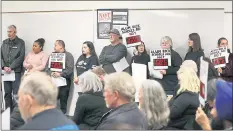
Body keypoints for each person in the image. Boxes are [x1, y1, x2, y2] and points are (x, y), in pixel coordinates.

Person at [45, 40, 74, 114]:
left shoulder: (69, 56)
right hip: (52, 81)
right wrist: (51, 73)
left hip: (64, 82)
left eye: (55, 45)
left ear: (61, 46)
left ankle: (62, 118)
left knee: (63, 100)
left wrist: (60, 74)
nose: (54, 47)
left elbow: (70, 69)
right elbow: (46, 68)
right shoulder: (52, 55)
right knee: (50, 100)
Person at [1, 25, 25, 111]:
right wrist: (4, 66)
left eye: (10, 32)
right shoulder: (4, 42)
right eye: (8, 31)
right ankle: (8, 112)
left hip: (16, 72)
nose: (8, 33)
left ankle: (16, 114)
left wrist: (11, 67)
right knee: (7, 94)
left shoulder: (21, 43)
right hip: (6, 72)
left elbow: (21, 57)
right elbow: (1, 57)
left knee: (16, 94)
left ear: (15, 32)